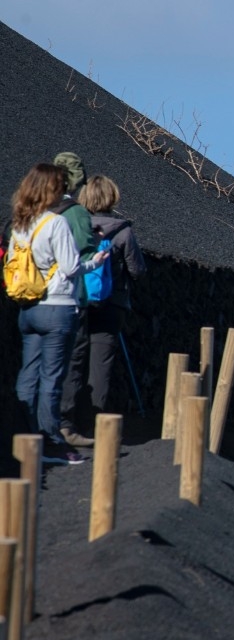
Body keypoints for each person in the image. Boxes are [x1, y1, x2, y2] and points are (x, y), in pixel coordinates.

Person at [6, 163, 105, 465]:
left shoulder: (21, 223)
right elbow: (71, 267)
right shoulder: (56, 223)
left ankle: (21, 437)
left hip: (28, 307)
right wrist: (96, 261)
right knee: (52, 378)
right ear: (52, 189)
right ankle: (50, 442)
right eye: (61, 186)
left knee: (28, 374)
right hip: (58, 307)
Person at [77, 175, 147, 420]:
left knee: (73, 361)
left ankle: (66, 421)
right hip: (112, 305)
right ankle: (91, 422)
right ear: (112, 197)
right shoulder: (123, 232)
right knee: (100, 366)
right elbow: (138, 271)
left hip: (77, 301)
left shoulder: (75, 225)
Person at [50, 151, 99, 447]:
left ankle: (37, 424)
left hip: (33, 296)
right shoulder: (76, 213)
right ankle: (64, 424)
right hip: (68, 298)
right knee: (71, 361)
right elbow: (84, 250)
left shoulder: (36, 208)